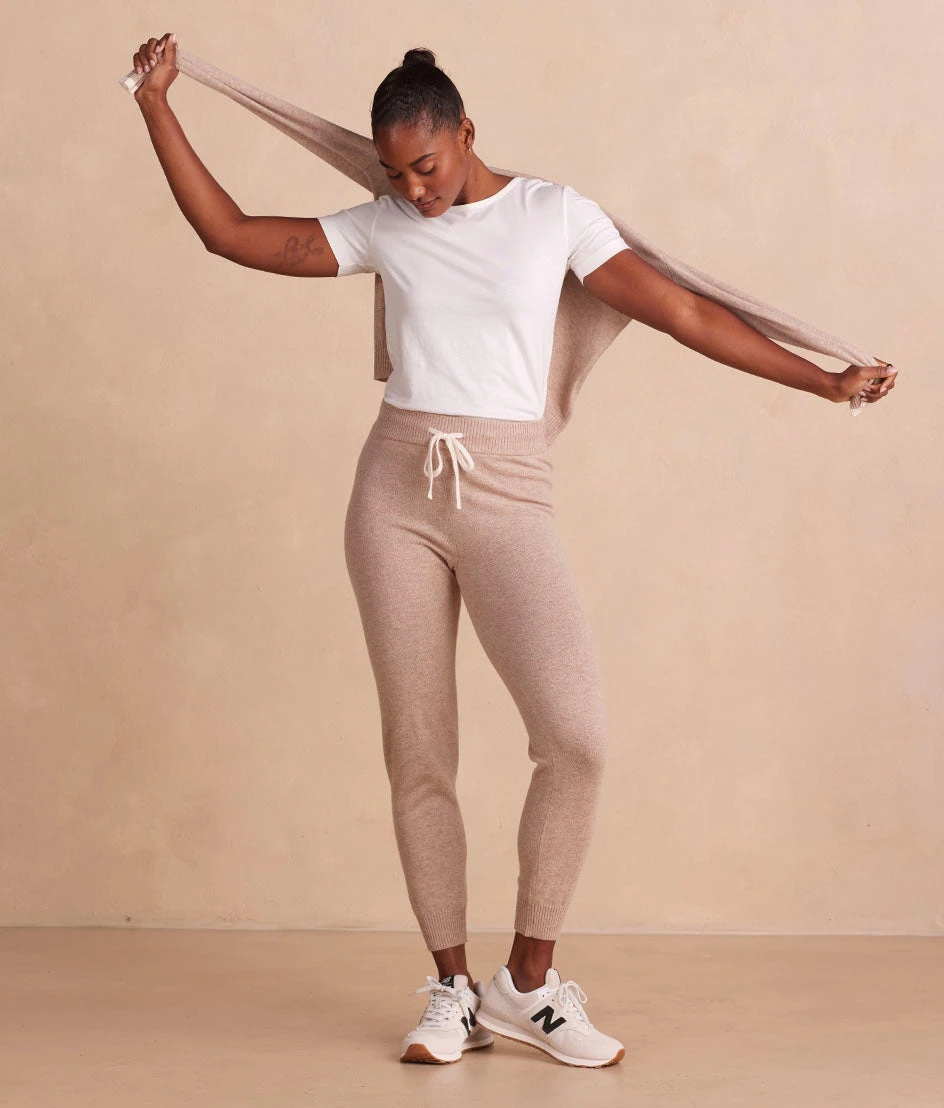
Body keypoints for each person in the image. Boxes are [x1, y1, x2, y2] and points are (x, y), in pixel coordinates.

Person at [129, 32, 899, 1070]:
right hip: (393, 492)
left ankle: (526, 984)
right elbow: (228, 235)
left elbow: (680, 310)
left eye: (426, 166)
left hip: (506, 490)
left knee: (575, 738)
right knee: (419, 750)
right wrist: (157, 104)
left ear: (465, 132)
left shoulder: (553, 215)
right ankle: (450, 989)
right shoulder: (384, 224)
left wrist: (821, 380)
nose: (414, 192)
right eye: (394, 173)